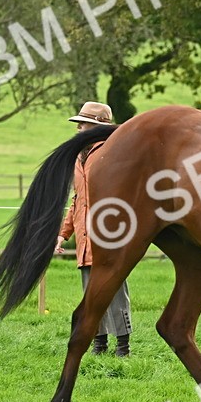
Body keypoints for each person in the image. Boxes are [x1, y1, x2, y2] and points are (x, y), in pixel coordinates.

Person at [54, 101, 134, 356]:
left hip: (109, 239)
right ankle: (99, 344)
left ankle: (124, 346)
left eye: (84, 123)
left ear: (99, 127)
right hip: (85, 240)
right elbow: (77, 200)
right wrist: (62, 234)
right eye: (78, 123)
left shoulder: (112, 153)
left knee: (115, 293)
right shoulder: (79, 157)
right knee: (91, 296)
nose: (78, 127)